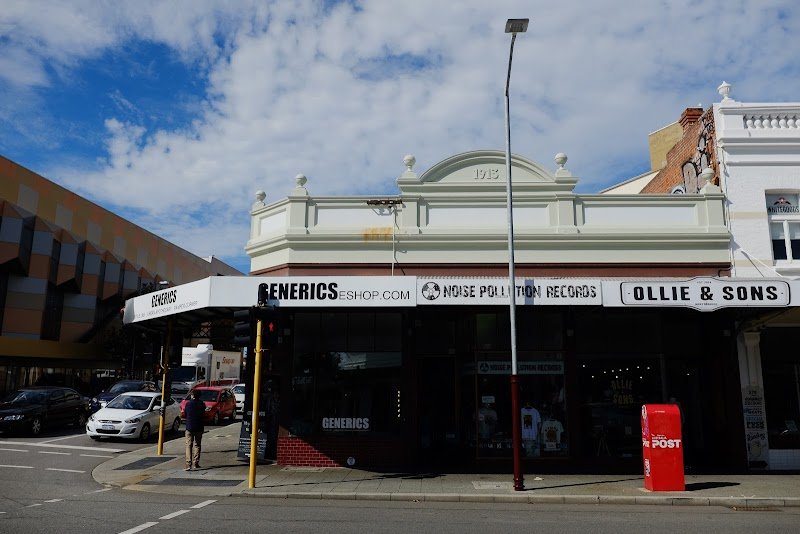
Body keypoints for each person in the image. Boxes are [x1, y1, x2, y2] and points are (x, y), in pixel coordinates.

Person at [184, 390, 205, 471]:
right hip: (199, 427)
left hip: (189, 427)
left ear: (192, 396)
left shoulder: (188, 404)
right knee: (197, 445)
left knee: (188, 445)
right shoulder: (201, 404)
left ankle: (188, 464)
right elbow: (203, 414)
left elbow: (185, 414)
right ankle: (196, 463)